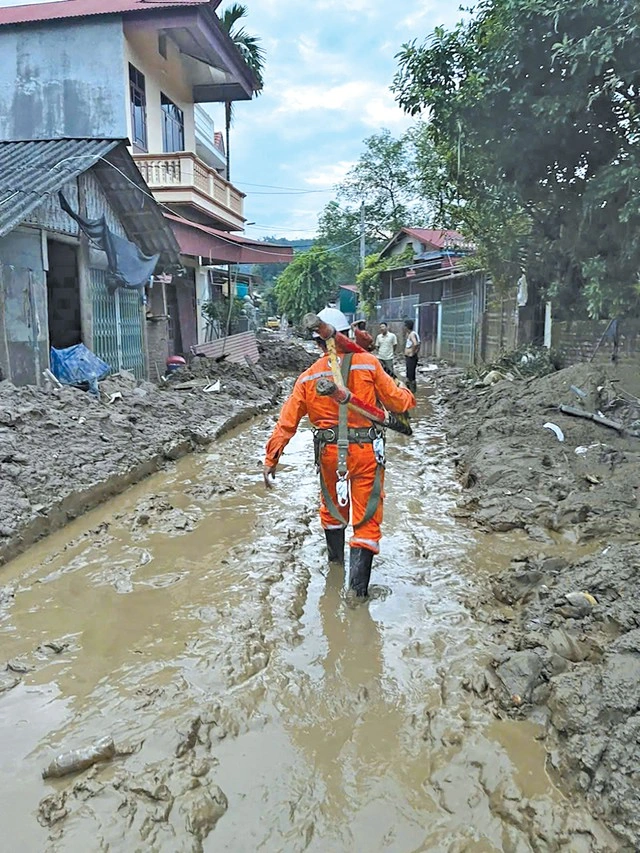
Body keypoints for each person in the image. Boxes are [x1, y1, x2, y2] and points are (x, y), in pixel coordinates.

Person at [263, 307, 415, 598]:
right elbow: (399, 404)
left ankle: (336, 568)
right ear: (347, 335)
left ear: (317, 342)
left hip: (328, 454)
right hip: (366, 451)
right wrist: (405, 391)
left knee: (331, 509)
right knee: (367, 518)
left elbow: (287, 422)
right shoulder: (369, 364)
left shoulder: (308, 377)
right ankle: (357, 595)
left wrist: (272, 458)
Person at [403, 319, 420, 393]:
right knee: (411, 374)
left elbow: (415, 344)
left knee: (410, 375)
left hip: (411, 357)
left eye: (404, 326)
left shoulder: (412, 334)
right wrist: (415, 351)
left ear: (407, 327)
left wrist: (412, 352)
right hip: (412, 357)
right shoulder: (413, 333)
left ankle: (411, 392)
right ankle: (412, 391)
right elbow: (419, 344)